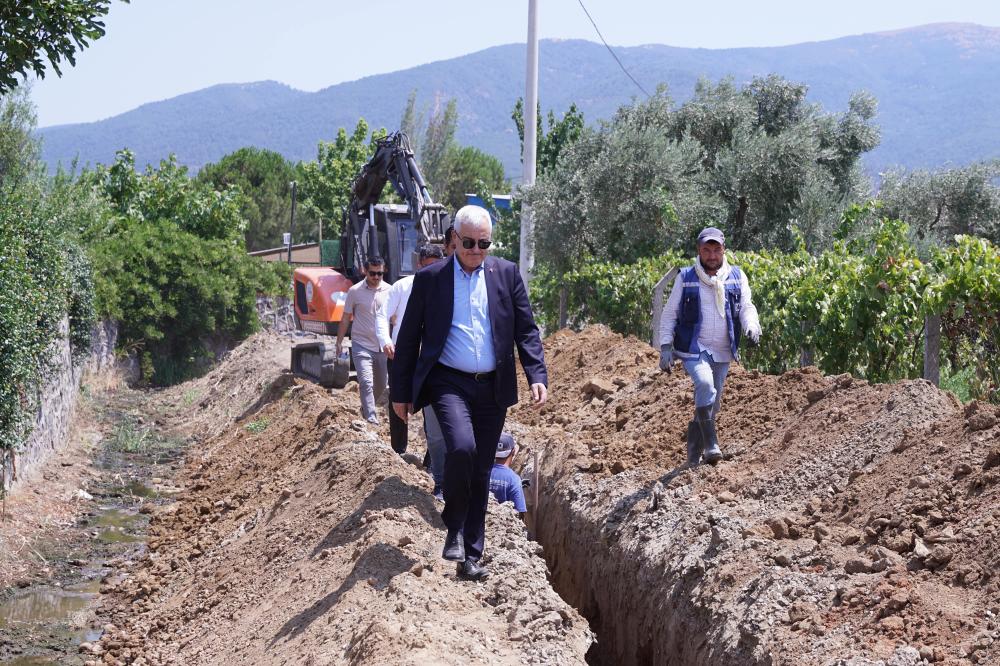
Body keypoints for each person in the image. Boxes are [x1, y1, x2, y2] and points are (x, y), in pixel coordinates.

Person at [390, 205, 548, 581]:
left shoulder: (506, 275)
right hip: (448, 381)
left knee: (481, 469)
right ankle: (454, 524)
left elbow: (526, 329)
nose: (477, 250)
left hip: (492, 385)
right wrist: (401, 392)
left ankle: (469, 555)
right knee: (461, 447)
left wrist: (536, 373)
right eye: (470, 243)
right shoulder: (431, 279)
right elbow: (409, 337)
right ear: (455, 240)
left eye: (484, 243)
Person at [658, 227, 761, 466]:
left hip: (723, 349)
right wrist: (665, 346)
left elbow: (746, 306)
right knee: (704, 384)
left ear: (724, 250)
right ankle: (712, 446)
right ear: (699, 251)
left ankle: (693, 454)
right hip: (694, 347)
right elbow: (670, 313)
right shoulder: (686, 278)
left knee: (713, 403)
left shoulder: (736, 276)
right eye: (707, 250)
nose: (712, 255)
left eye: (716, 250)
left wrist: (752, 327)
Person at [377, 244, 447, 497]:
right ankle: (398, 450)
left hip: (433, 362)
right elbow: (383, 314)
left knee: (435, 416)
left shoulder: (450, 288)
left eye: (434, 267)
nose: (430, 272)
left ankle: (435, 470)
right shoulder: (404, 287)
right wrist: (385, 339)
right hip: (403, 356)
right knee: (399, 405)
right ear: (419, 265)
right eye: (426, 267)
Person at [336, 257, 391, 425]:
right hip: (361, 344)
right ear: (365, 271)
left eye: (379, 273)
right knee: (366, 381)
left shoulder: (390, 291)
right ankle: (371, 419)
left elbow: (395, 318)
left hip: (382, 346)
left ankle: (366, 407)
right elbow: (346, 318)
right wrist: (339, 342)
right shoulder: (355, 291)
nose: (376, 277)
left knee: (381, 384)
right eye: (373, 273)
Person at [489, 433, 526, 517]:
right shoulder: (513, 479)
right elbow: (520, 512)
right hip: (502, 527)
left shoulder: (483, 472)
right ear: (513, 452)